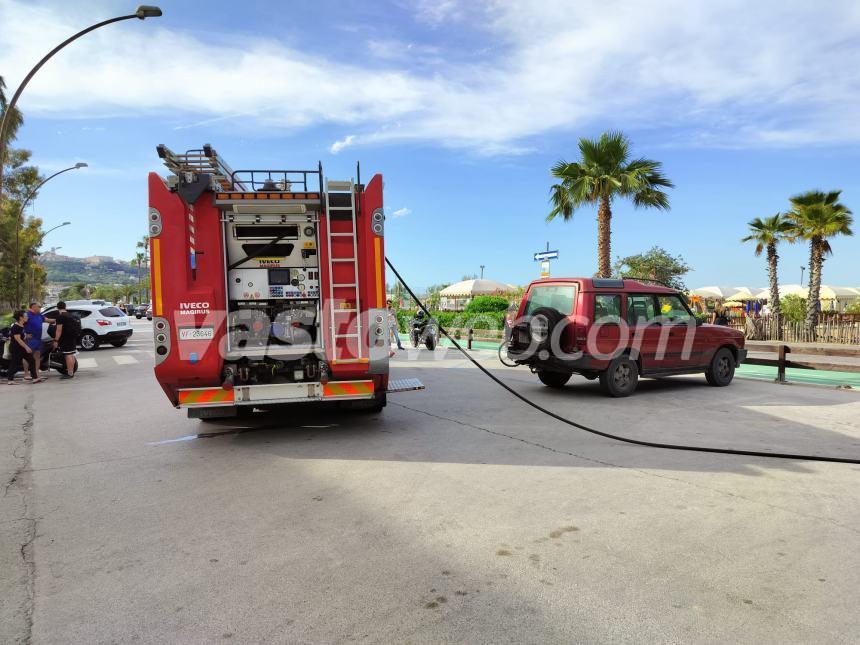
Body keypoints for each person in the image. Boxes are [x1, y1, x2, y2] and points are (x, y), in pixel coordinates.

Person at [6, 310, 39, 384]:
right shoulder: (16, 327)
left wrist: (27, 336)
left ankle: (35, 378)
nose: (27, 317)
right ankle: (10, 380)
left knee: (31, 360)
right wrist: (27, 347)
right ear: (21, 318)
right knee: (15, 363)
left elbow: (20, 336)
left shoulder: (21, 325)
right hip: (16, 348)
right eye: (26, 316)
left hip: (20, 347)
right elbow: (18, 339)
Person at [53, 301, 79, 380]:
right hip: (72, 337)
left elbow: (59, 330)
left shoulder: (60, 317)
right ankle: (71, 372)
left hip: (65, 338)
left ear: (57, 308)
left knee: (68, 355)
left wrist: (56, 340)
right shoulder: (70, 315)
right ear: (65, 307)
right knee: (71, 354)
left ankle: (70, 373)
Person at [23, 302, 45, 380]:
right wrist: (25, 334)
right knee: (27, 356)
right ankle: (26, 374)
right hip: (31, 339)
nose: (40, 308)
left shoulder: (39, 315)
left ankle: (36, 373)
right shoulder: (27, 314)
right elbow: (20, 323)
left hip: (38, 339)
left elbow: (47, 320)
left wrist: (58, 319)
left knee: (37, 356)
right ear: (34, 307)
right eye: (39, 306)